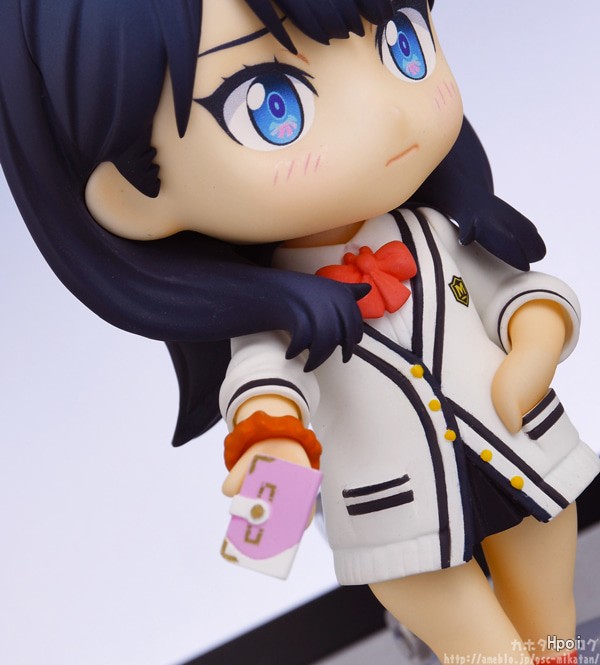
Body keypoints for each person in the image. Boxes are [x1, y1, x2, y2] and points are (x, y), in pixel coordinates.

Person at [1, 0, 597, 661]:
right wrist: (274, 455)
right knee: (488, 653)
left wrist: (536, 343)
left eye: (403, 42)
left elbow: (515, 293)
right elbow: (264, 392)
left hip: (526, 456)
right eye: (271, 105)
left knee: (552, 625)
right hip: (398, 514)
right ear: (133, 192)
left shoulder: (440, 234)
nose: (386, 112)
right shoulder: (280, 325)